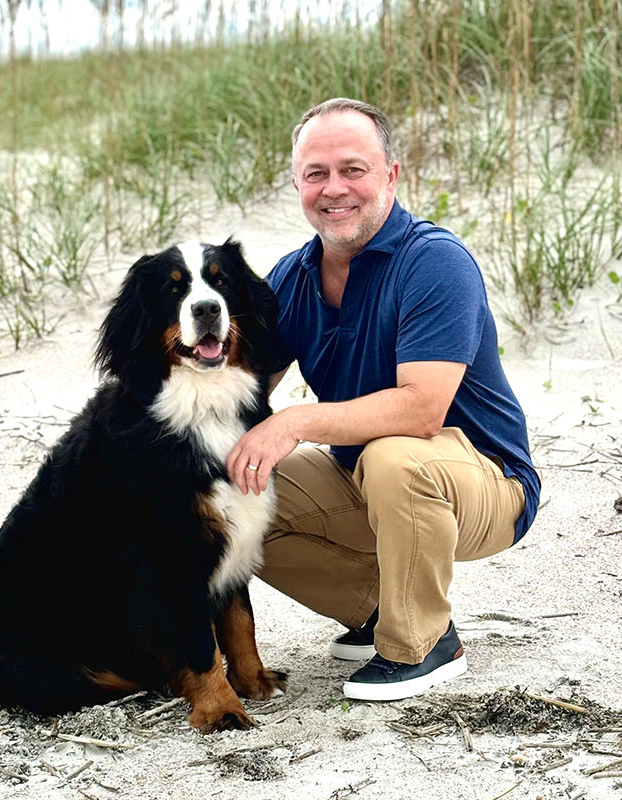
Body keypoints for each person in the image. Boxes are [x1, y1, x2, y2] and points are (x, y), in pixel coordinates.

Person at [225, 97, 540, 702]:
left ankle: (421, 643)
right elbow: (239, 390)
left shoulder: (434, 262)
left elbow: (422, 409)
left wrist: (294, 422)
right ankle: (380, 610)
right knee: (232, 486)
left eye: (353, 169)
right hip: (365, 479)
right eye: (316, 174)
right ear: (297, 184)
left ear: (391, 175)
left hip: (485, 483)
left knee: (395, 456)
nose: (334, 189)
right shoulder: (293, 276)